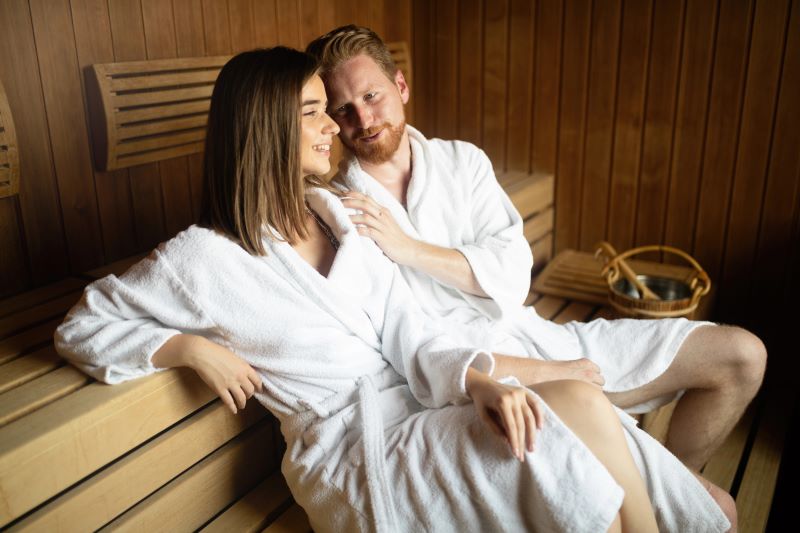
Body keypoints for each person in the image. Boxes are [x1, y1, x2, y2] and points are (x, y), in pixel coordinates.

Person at [55, 47, 729, 533]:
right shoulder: (204, 258)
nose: (333, 128)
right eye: (317, 112)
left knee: (575, 403)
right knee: (553, 449)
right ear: (268, 126)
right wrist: (184, 349)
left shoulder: (334, 214)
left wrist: (480, 383)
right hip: (355, 454)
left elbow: (412, 332)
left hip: (418, 407)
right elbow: (85, 323)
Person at [305, 23, 764, 512]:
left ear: (401, 86)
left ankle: (671, 478)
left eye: (372, 95)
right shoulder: (341, 208)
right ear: (331, 121)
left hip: (541, 335)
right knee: (722, 512)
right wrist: (547, 372)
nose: (364, 118)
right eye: (343, 109)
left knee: (741, 355)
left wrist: (409, 248)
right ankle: (671, 493)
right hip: (486, 381)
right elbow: (411, 343)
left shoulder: (463, 162)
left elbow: (512, 269)